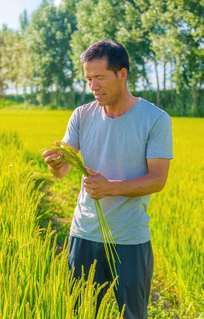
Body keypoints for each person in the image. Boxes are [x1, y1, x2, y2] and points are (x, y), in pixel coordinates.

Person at [43, 40, 173, 319]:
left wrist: (111, 188)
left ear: (122, 74)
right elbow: (63, 170)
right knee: (81, 312)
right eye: (89, 78)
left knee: (132, 315)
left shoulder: (155, 119)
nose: (93, 86)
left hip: (129, 238)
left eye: (100, 77)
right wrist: (56, 163)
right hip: (84, 234)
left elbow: (157, 179)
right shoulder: (82, 115)